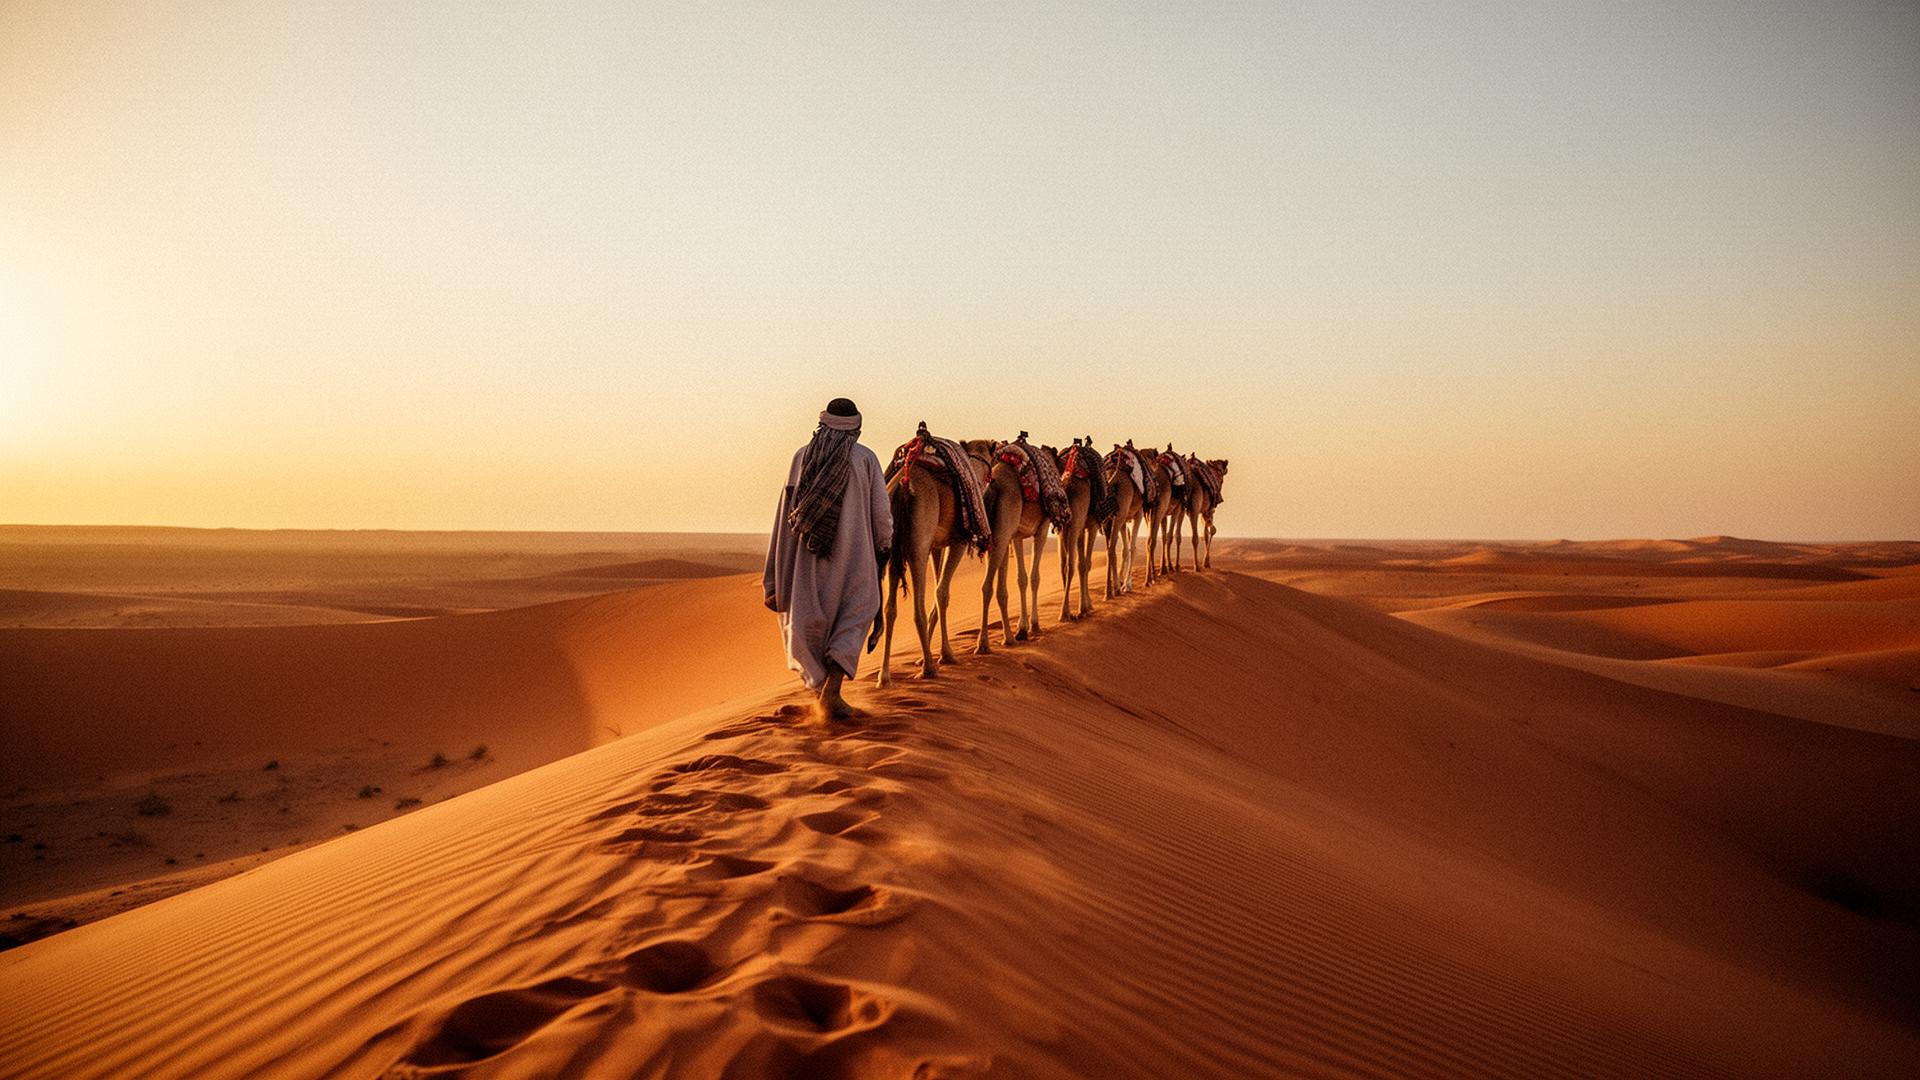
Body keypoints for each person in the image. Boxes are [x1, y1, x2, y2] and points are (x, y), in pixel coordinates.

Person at [763, 397, 892, 719]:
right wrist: (883, 546)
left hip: (804, 556)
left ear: (822, 424)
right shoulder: (865, 458)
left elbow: (784, 513)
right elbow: (881, 512)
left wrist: (774, 574)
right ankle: (831, 691)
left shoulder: (801, 457)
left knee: (808, 620)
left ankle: (820, 692)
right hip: (855, 553)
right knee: (860, 610)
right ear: (857, 428)